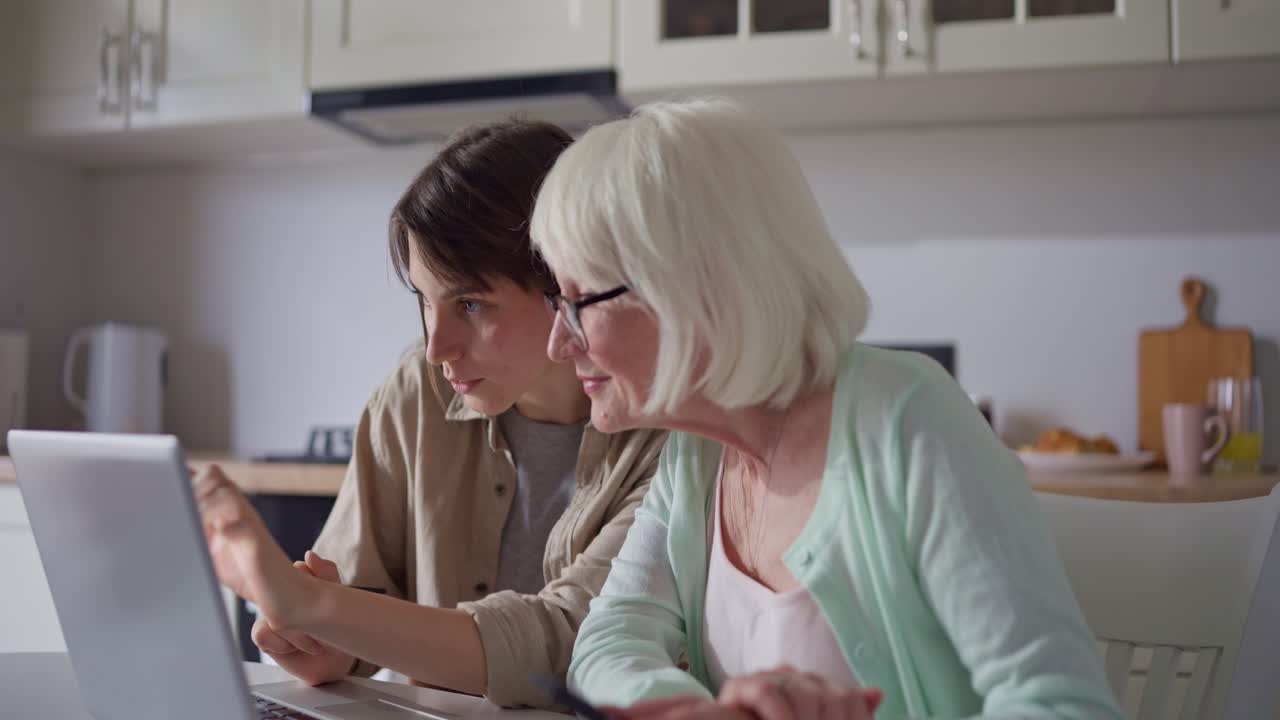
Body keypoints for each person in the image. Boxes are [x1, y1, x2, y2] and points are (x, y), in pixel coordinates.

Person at [529, 99, 1124, 719]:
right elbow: (607, 638)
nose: (558, 342)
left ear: (695, 289)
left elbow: (1064, 707)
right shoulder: (697, 455)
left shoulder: (907, 422)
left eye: (581, 300)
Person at [196, 119, 667, 709]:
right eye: (424, 299)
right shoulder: (414, 395)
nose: (437, 346)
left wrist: (315, 605)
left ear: (568, 286)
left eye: (471, 304)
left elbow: (568, 640)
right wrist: (323, 641)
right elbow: (355, 595)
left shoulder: (665, 434)